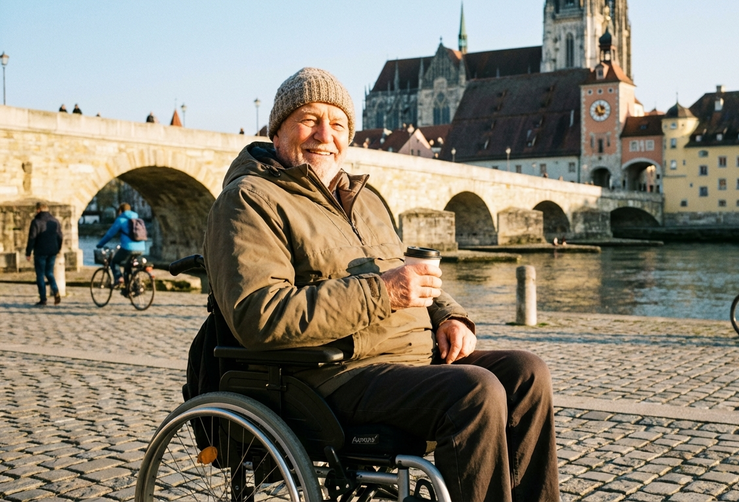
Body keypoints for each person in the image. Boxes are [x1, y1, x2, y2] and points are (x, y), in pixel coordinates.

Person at [203, 67, 559, 502]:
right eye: (309, 119)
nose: (323, 134)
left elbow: (403, 271)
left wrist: (449, 315)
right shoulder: (248, 200)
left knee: (527, 373)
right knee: (475, 393)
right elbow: (261, 316)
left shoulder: (364, 198)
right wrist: (384, 292)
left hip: (406, 361)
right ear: (277, 130)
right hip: (328, 374)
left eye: (337, 124)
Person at [96, 203, 146, 285]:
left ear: (120, 211)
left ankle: (119, 278)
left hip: (128, 248)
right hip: (141, 248)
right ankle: (131, 286)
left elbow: (109, 234)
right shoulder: (137, 219)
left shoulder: (120, 220)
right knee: (128, 265)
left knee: (114, 262)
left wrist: (100, 244)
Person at [25, 202, 63, 306]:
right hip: (52, 251)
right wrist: (58, 248)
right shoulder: (55, 221)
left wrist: (28, 252)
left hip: (40, 251)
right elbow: (60, 236)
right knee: (49, 273)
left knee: (40, 275)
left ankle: (43, 299)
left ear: (38, 210)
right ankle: (55, 290)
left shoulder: (36, 222)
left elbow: (32, 238)